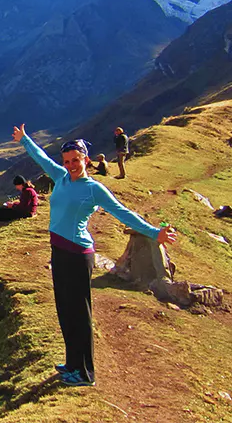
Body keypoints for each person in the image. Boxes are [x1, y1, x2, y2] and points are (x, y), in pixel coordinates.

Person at [13, 124, 177, 387]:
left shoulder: (94, 189)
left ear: (86, 160)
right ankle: (72, 363)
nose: (71, 165)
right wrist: (25, 140)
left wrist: (154, 232)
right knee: (65, 309)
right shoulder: (62, 177)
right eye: (67, 161)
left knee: (80, 312)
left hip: (78, 254)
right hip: (59, 251)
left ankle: (86, 373)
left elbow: (122, 212)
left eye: (75, 160)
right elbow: (42, 158)